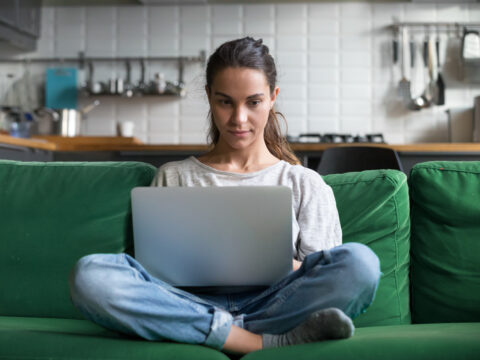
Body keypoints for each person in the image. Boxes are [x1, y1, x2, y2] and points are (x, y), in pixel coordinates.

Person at [69, 37, 381, 355]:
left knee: (361, 264)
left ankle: (205, 332)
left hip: (274, 305)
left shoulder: (303, 182)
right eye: (226, 101)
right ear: (209, 96)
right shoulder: (173, 176)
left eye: (253, 102)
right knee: (91, 275)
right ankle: (252, 341)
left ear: (273, 98)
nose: (239, 118)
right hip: (188, 303)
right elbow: (153, 273)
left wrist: (279, 264)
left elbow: (322, 272)